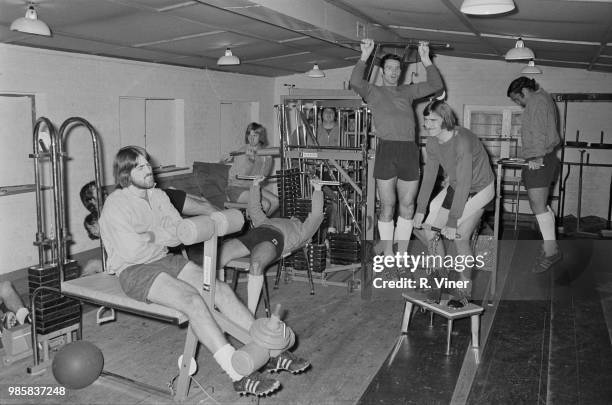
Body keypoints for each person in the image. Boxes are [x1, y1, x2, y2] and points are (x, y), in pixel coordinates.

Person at [99, 146, 309, 396]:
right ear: (125, 173)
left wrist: (153, 236)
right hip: (134, 270)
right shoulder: (116, 204)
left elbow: (179, 235)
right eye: (140, 166)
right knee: (193, 301)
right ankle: (238, 374)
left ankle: (270, 350)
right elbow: (133, 251)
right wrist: (163, 236)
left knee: (218, 289)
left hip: (164, 259)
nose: (149, 169)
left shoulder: (158, 196)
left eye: (148, 164)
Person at [350, 39, 444, 257]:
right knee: (387, 206)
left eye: (397, 69)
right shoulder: (372, 91)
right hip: (387, 151)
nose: (393, 72)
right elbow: (355, 81)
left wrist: (426, 60)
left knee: (408, 205)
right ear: (382, 71)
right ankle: (388, 254)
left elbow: (436, 86)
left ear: (401, 72)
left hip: (409, 152)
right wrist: (365, 56)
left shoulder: (407, 91)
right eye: (389, 68)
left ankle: (401, 253)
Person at [413, 100, 495, 308]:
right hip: (457, 186)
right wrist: (420, 209)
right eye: (425, 120)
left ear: (446, 120)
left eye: (433, 120)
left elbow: (466, 182)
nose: (427, 125)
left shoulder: (463, 141)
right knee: (430, 231)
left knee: (459, 237)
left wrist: (452, 220)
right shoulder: (432, 142)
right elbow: (430, 176)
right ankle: (439, 279)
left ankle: (464, 291)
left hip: (480, 189)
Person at [218, 176, 325, 314]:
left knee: (256, 265)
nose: (293, 217)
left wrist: (317, 190)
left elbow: (316, 216)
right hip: (257, 231)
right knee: (219, 254)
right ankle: (216, 300)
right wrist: (255, 185)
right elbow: (255, 209)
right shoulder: (267, 220)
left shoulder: (302, 231)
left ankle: (249, 314)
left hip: (276, 238)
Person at [507, 77, 562, 273]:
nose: (518, 104)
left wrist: (537, 157)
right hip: (541, 157)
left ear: (525, 92)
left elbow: (538, 131)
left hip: (540, 158)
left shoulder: (536, 101)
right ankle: (550, 246)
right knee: (539, 205)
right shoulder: (543, 98)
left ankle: (551, 251)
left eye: (517, 99)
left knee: (538, 206)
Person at [226, 123, 278, 215]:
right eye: (249, 134)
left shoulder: (262, 152)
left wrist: (269, 160)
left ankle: (261, 224)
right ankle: (257, 225)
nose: (251, 138)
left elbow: (263, 176)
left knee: (275, 201)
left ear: (261, 137)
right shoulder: (242, 151)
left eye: (255, 135)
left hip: (252, 187)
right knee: (265, 204)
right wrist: (250, 161)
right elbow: (240, 178)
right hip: (236, 188)